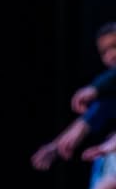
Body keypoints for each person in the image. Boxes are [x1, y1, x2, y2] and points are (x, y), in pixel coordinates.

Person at [32, 23, 116, 170]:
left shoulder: (104, 85)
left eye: (114, 46)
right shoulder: (109, 94)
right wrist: (57, 145)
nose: (111, 55)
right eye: (104, 52)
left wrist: (94, 88)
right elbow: (90, 117)